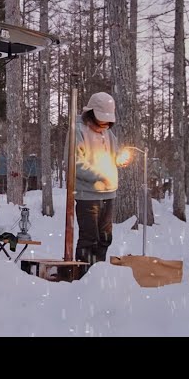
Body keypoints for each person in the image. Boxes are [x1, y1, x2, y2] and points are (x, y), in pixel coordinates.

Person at [65, 92, 132, 275]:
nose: (103, 125)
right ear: (91, 114)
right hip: (88, 195)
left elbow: (115, 154)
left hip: (109, 194)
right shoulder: (78, 131)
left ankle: (98, 275)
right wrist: (97, 175)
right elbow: (74, 163)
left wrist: (120, 159)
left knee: (105, 238)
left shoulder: (109, 134)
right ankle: (83, 275)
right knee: (90, 238)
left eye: (107, 121)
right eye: (101, 120)